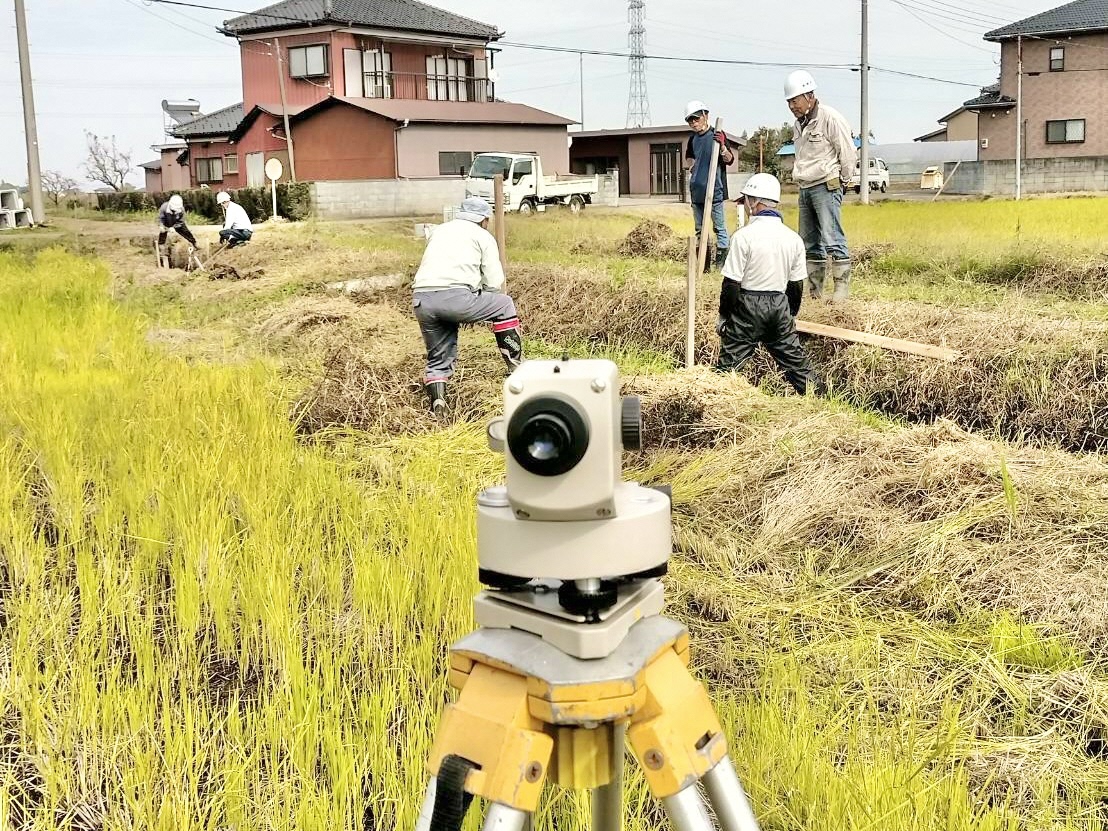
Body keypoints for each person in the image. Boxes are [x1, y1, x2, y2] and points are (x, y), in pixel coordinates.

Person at [411, 196, 523, 416]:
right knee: (504, 304)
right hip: (456, 298)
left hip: (422, 299)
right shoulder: (482, 235)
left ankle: (438, 401)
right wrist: (479, 304)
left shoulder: (439, 231)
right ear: (484, 220)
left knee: (438, 357)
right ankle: (515, 367)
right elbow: (494, 282)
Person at [716, 173, 822, 395]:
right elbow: (796, 286)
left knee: (728, 369)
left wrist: (724, 316)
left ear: (754, 202)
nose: (746, 206)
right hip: (779, 305)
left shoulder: (743, 237)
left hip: (747, 306)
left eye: (746, 200)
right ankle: (819, 398)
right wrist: (789, 314)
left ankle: (719, 399)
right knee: (796, 364)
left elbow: (731, 284)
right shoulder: (793, 239)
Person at [784, 70, 857, 301]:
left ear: (809, 95)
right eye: (789, 102)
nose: (792, 106)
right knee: (809, 242)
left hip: (826, 184)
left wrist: (843, 181)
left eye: (795, 100)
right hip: (805, 186)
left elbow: (848, 153)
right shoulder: (798, 124)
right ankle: (815, 293)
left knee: (832, 237)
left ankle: (840, 293)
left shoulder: (830, 118)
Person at [684, 100, 735, 271]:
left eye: (696, 118)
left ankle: (721, 266)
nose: (694, 123)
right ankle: (703, 267)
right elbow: (689, 157)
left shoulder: (716, 135)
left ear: (706, 116)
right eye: (690, 120)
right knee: (700, 230)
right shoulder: (692, 139)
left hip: (715, 191)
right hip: (697, 191)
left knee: (719, 228)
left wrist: (722, 146)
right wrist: (692, 166)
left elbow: (729, 160)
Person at [156, 194, 197, 261]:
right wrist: (161, 226)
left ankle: (194, 243)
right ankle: (161, 247)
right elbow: (160, 218)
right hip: (167, 221)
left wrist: (174, 227)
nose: (174, 211)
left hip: (177, 222)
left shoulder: (181, 209)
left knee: (186, 232)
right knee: (162, 233)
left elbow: (181, 221)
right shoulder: (164, 207)